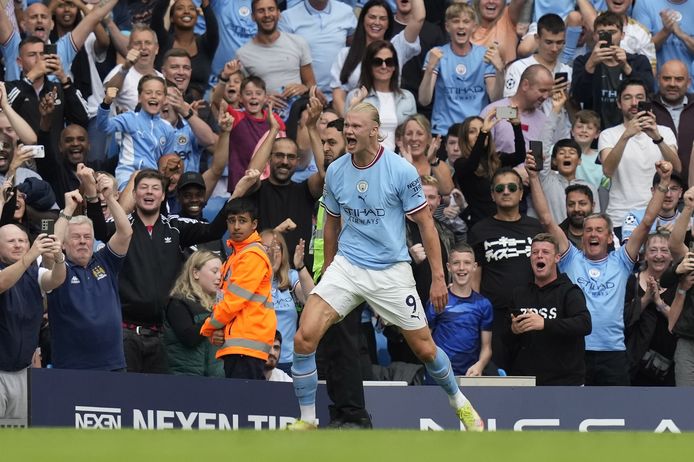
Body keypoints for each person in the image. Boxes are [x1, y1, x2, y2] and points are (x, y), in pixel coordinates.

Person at [287, 102, 483, 431]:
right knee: (304, 338)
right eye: (346, 125)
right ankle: (307, 420)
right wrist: (330, 269)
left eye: (355, 126)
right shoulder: (335, 171)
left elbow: (426, 225)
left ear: (375, 132)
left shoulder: (400, 171)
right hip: (348, 266)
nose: (348, 131)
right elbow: (332, 224)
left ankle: (458, 400)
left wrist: (438, 278)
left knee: (424, 348)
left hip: (390, 270)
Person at [527, 148, 673, 386]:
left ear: (608, 237)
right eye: (588, 230)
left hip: (614, 352)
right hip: (575, 350)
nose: (592, 234)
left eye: (599, 230)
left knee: (616, 417)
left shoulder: (622, 261)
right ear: (582, 236)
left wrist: (664, 181)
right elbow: (546, 219)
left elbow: (647, 222)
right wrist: (533, 177)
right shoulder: (571, 259)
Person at [86, 168, 229, 373]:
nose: (149, 192)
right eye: (143, 188)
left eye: (155, 188)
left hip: (165, 335)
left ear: (163, 196)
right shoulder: (122, 226)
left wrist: (238, 193)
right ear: (134, 194)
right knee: (125, 396)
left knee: (159, 400)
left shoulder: (175, 226)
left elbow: (213, 230)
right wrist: (94, 196)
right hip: (126, 333)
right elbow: (98, 230)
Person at [47, 178, 132, 371]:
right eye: (76, 237)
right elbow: (51, 247)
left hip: (113, 365)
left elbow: (125, 232)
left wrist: (109, 198)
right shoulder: (59, 269)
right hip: (71, 367)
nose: (83, 242)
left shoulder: (105, 261)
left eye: (87, 237)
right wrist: (68, 210)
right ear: (65, 243)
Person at [468, 166, 543, 369]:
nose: (506, 192)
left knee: (531, 378)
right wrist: (476, 315)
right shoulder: (479, 230)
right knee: (497, 379)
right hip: (495, 316)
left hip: (532, 314)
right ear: (492, 195)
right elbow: (474, 278)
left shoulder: (536, 228)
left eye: (511, 187)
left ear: (520, 193)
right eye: (500, 189)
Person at [199, 197, 277, 380]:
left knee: (245, 405)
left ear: (254, 224)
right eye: (232, 221)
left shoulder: (252, 255)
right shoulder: (236, 256)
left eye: (242, 221)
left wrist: (209, 327)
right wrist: (219, 331)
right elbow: (222, 301)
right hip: (239, 345)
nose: (236, 226)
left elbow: (234, 302)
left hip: (247, 346)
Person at [599, 78, 680, 240]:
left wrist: (657, 137)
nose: (634, 102)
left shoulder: (664, 132)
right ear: (619, 103)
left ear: (647, 101)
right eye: (628, 98)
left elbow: (677, 168)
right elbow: (607, 171)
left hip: (659, 216)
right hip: (620, 216)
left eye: (639, 97)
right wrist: (626, 136)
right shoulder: (608, 135)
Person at [506, 233, 591, 385]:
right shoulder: (519, 293)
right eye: (534, 252)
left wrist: (545, 323)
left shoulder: (569, 291)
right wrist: (513, 330)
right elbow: (506, 337)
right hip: (526, 381)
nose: (539, 256)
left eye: (545, 252)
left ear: (557, 258)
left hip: (565, 382)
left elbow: (584, 324)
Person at [0, 223, 65, 421]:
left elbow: (55, 280)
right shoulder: (18, 266)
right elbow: (2, 282)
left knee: (15, 439)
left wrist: (59, 258)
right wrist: (31, 256)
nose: (18, 245)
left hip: (21, 370)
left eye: (22, 241)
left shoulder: (33, 272)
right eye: (11, 241)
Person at [418, 2, 504, 138]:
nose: (461, 26)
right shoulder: (437, 54)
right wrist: (429, 69)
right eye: (455, 21)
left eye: (466, 21)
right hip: (445, 131)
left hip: (476, 130)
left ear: (474, 27)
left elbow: (496, 98)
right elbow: (424, 100)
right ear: (447, 26)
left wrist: (500, 69)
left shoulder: (485, 55)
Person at [330, 0, 424, 116]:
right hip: (355, 123)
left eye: (383, 18)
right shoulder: (345, 54)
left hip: (391, 120)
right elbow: (338, 97)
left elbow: (418, 17)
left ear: (389, 23)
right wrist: (349, 124)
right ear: (363, 20)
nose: (377, 22)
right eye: (372, 17)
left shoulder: (397, 47)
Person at [571, 12, 654, 129]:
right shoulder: (583, 62)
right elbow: (579, 97)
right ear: (594, 36)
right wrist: (590, 65)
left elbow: (650, 91)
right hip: (595, 133)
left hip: (631, 129)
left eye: (612, 32)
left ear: (622, 35)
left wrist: (626, 67)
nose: (607, 37)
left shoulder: (638, 61)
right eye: (601, 33)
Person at [5, 36, 89, 151]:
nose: (39, 60)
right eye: (32, 55)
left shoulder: (60, 89)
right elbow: (4, 109)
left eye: (42, 54)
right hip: (22, 159)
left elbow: (82, 119)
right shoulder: (9, 88)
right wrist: (31, 77)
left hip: (54, 159)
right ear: (19, 62)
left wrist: (63, 77)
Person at [98, 75, 177, 190]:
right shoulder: (129, 119)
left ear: (164, 99)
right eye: (149, 92)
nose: (154, 96)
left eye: (159, 93)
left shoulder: (168, 128)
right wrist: (106, 103)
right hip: (127, 176)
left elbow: (166, 160)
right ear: (139, 97)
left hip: (153, 179)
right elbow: (103, 127)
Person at [425, 242, 493, 377]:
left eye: (467, 263)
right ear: (449, 267)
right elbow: (425, 341)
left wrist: (480, 365)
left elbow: (487, 348)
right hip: (439, 377)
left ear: (474, 267)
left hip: (470, 376)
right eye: (456, 263)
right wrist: (435, 365)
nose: (461, 268)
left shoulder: (484, 304)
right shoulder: (438, 300)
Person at [453, 111, 526, 227]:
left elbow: (520, 156)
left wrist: (516, 126)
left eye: (482, 129)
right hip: (481, 226)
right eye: (472, 131)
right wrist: (483, 132)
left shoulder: (497, 159)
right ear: (464, 138)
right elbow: (472, 164)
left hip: (505, 223)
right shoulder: (460, 163)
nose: (478, 134)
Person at [236, 0, 316, 105]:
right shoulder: (243, 54)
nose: (267, 15)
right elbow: (242, 95)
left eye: (271, 9)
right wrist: (263, 99)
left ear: (278, 13)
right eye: (261, 11)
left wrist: (304, 89)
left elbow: (311, 83)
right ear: (253, 17)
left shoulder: (298, 42)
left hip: (298, 112)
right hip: (264, 116)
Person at [624, 232, 678, 386]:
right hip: (635, 362)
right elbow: (623, 319)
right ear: (644, 256)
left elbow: (679, 323)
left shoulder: (680, 284)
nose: (659, 255)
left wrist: (658, 301)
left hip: (668, 364)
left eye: (664, 250)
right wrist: (646, 298)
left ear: (672, 256)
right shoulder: (631, 281)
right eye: (653, 250)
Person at [279, 0, 357, 101]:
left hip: (342, 93)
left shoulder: (346, 12)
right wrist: (306, 89)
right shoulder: (288, 17)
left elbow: (355, 48)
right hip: (305, 96)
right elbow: (285, 59)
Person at [345, 40, 416, 150]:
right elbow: (347, 133)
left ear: (395, 66)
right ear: (369, 66)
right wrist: (355, 104)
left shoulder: (408, 97)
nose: (384, 66)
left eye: (389, 62)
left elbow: (413, 134)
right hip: (367, 160)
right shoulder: (355, 96)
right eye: (377, 62)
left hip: (400, 160)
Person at [164, 250, 225, 377]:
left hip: (216, 379)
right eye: (214, 271)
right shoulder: (178, 302)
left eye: (222, 272)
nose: (219, 276)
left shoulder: (219, 307)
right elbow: (188, 338)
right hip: (186, 380)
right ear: (195, 273)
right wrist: (214, 318)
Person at [260, 229, 313, 371]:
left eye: (277, 248)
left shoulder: (291, 277)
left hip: (287, 361)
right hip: (259, 359)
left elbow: (310, 299)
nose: (273, 253)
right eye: (268, 248)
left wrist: (301, 266)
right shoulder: (252, 279)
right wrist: (270, 271)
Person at [481, 64, 556, 153]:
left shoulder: (543, 120)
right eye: (542, 91)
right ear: (525, 85)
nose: (546, 96)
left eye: (549, 91)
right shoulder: (495, 111)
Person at [151, 0, 219, 96]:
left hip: (197, 105)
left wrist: (206, 5)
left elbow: (213, 30)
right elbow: (156, 17)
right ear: (171, 18)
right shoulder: (163, 41)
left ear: (197, 16)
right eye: (180, 8)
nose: (186, 11)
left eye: (191, 9)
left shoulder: (205, 44)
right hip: (164, 101)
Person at [665, 186, 694, 386]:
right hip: (689, 339)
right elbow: (675, 244)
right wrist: (688, 208)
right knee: (685, 400)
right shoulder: (691, 258)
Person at [633, 0, 694, 92]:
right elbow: (639, 50)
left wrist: (681, 34)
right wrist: (666, 31)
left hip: (691, 89)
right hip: (656, 90)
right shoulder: (645, 2)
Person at [101, 25, 163, 113]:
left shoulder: (162, 78)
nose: (143, 47)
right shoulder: (120, 70)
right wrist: (125, 69)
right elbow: (108, 93)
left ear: (156, 49)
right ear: (129, 49)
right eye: (137, 43)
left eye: (148, 43)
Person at [651, 60, 694, 181]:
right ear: (658, 80)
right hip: (657, 187)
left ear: (689, 82)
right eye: (667, 78)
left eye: (679, 79)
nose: (672, 84)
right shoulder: (648, 107)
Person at [622, 173, 686, 244]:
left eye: (674, 189)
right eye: (664, 189)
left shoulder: (689, 222)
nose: (668, 195)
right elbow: (628, 250)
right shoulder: (634, 217)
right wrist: (658, 236)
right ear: (653, 191)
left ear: (680, 193)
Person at [399, 114, 454, 195]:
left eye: (420, 134)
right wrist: (407, 167)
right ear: (402, 139)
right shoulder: (393, 166)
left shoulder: (439, 165)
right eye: (409, 133)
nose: (414, 138)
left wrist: (432, 161)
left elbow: (447, 192)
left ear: (429, 138)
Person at [470, 0, 528, 66]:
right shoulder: (465, 22)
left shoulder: (507, 16)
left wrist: (499, 65)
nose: (491, 1)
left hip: (505, 74)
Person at [559, 184, 596, 251]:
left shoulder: (603, 233)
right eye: (571, 204)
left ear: (593, 206)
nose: (576, 209)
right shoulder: (558, 234)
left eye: (582, 204)